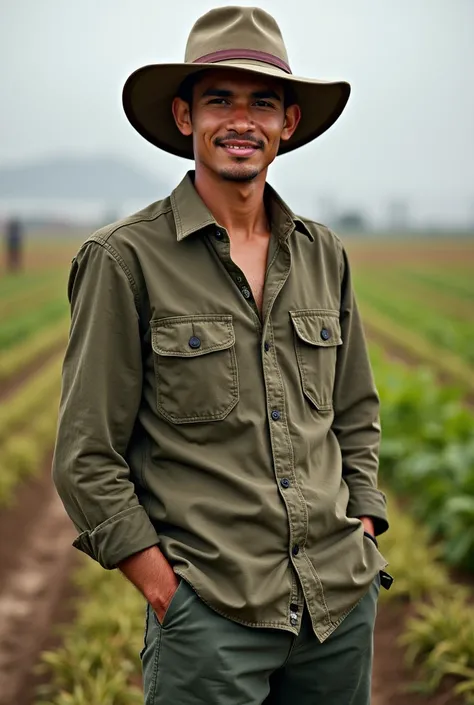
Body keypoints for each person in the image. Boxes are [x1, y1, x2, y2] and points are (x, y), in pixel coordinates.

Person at [52, 7, 392, 704]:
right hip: (210, 615)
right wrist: (163, 587)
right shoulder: (125, 260)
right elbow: (86, 454)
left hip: (337, 607)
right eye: (220, 100)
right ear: (185, 117)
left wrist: (363, 520)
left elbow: (356, 411)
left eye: (262, 102)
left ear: (287, 123)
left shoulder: (323, 253)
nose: (243, 120)